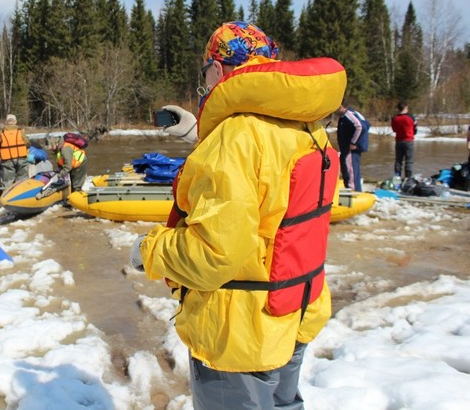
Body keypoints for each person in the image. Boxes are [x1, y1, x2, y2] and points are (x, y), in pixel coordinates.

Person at [129, 21, 346, 410]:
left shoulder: (236, 138)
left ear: (221, 68)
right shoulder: (309, 126)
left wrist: (147, 249)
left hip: (239, 331)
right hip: (294, 310)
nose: (205, 79)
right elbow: (273, 186)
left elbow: (213, 256)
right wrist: (200, 135)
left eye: (206, 69)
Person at [336, 103, 368, 191]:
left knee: (351, 170)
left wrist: (353, 142)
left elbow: (360, 127)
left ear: (341, 106)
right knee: (346, 169)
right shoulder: (347, 115)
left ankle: (353, 190)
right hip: (344, 148)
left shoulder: (349, 115)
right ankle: (350, 187)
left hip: (350, 149)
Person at [0, 114, 29, 189]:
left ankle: (7, 196)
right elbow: (28, 143)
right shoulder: (21, 132)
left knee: (7, 181)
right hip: (21, 158)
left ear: (6, 122)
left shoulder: (1, 133)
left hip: (7, 160)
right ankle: (21, 195)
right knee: (22, 180)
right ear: (15, 122)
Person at [390, 102, 417, 178]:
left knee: (398, 161)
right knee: (409, 161)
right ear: (406, 107)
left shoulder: (394, 118)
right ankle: (408, 178)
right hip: (408, 140)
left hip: (398, 141)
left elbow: (394, 129)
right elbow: (415, 128)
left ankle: (397, 177)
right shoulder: (411, 117)